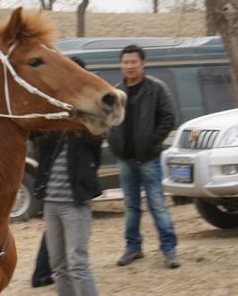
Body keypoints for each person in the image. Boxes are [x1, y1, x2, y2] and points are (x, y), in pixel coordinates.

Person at [33, 56, 102, 296]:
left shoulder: (93, 115)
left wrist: (78, 114)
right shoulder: (53, 114)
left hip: (76, 202)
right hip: (51, 202)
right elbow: (35, 138)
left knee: (78, 263)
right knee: (58, 266)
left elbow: (96, 138)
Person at [107, 44, 180, 269]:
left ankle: (169, 249)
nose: (129, 66)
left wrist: (151, 141)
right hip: (125, 159)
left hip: (149, 158)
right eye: (125, 62)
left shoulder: (156, 89)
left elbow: (168, 118)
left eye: (133, 62)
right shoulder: (117, 91)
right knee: (131, 206)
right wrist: (114, 143)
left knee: (158, 205)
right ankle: (133, 248)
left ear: (143, 63)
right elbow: (109, 121)